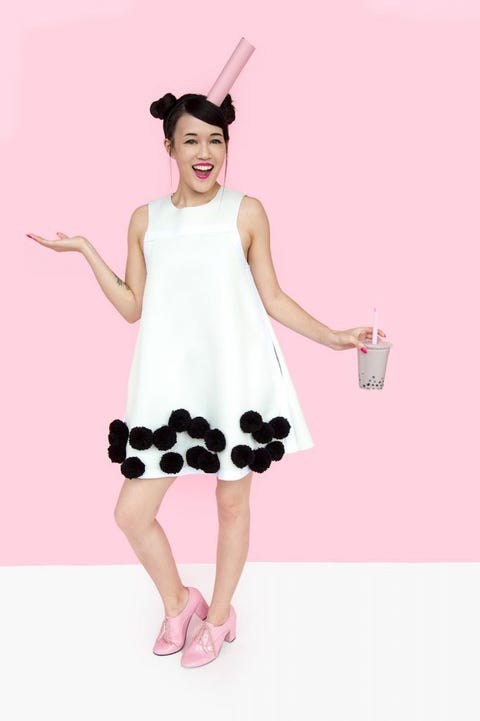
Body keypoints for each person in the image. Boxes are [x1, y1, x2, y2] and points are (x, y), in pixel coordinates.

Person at [26, 91, 386, 669]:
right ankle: (178, 601)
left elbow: (271, 297)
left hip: (233, 382)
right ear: (167, 146)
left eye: (215, 140)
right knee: (131, 514)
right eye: (191, 139)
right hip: (167, 387)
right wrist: (85, 250)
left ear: (226, 147)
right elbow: (131, 305)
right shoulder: (146, 219)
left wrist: (335, 337)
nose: (204, 152)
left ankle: (218, 617)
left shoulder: (246, 212)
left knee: (231, 504)